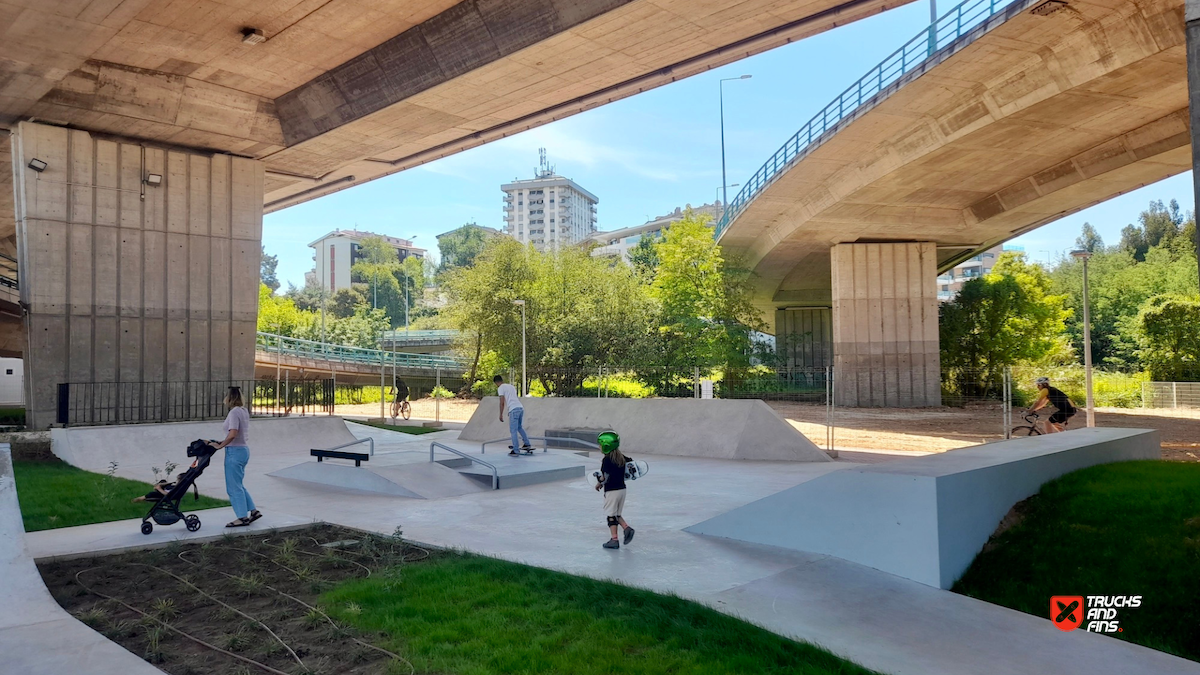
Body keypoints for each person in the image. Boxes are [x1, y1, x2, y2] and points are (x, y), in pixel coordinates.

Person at [209, 386, 262, 527]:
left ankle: (242, 517)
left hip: (234, 452)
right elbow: (236, 435)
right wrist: (222, 441)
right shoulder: (244, 411)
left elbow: (233, 433)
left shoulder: (233, 412)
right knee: (239, 485)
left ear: (229, 398)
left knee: (233, 488)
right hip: (243, 450)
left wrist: (221, 445)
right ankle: (253, 511)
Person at [595, 431, 634, 549]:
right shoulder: (621, 457)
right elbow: (631, 464)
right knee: (617, 514)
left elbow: (605, 477)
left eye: (600, 445)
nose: (599, 447)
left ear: (606, 446)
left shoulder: (606, 460)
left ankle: (614, 540)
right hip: (622, 489)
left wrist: (599, 482)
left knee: (610, 515)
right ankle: (627, 528)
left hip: (612, 491)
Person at [495, 374, 531, 455]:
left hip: (513, 409)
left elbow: (502, 402)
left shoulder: (500, 388)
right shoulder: (511, 386)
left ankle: (516, 449)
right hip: (520, 408)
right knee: (519, 427)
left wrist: (501, 414)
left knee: (513, 430)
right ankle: (527, 444)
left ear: (496, 383)